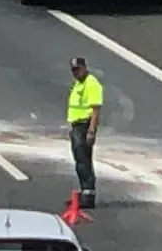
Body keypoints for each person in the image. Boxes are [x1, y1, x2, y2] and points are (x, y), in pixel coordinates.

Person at [67, 56, 102, 209]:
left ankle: (88, 194)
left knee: (84, 161)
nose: (76, 73)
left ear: (84, 67)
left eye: (78, 69)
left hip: (84, 126)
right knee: (79, 160)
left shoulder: (91, 84)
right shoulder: (78, 84)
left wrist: (91, 131)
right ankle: (84, 191)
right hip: (77, 126)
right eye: (73, 70)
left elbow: (95, 109)